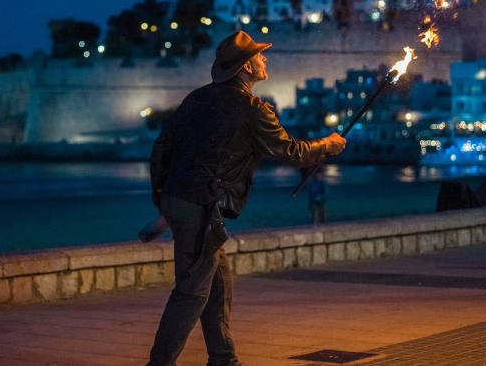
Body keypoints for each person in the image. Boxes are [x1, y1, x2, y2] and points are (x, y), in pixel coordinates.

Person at [146, 30, 346, 366]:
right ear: (246, 68)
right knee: (192, 292)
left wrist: (163, 200)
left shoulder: (196, 98)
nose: (265, 58)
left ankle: (224, 360)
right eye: (259, 55)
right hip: (201, 206)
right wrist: (327, 145)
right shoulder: (252, 108)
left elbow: (162, 148)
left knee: (218, 285)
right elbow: (290, 151)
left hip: (182, 200)